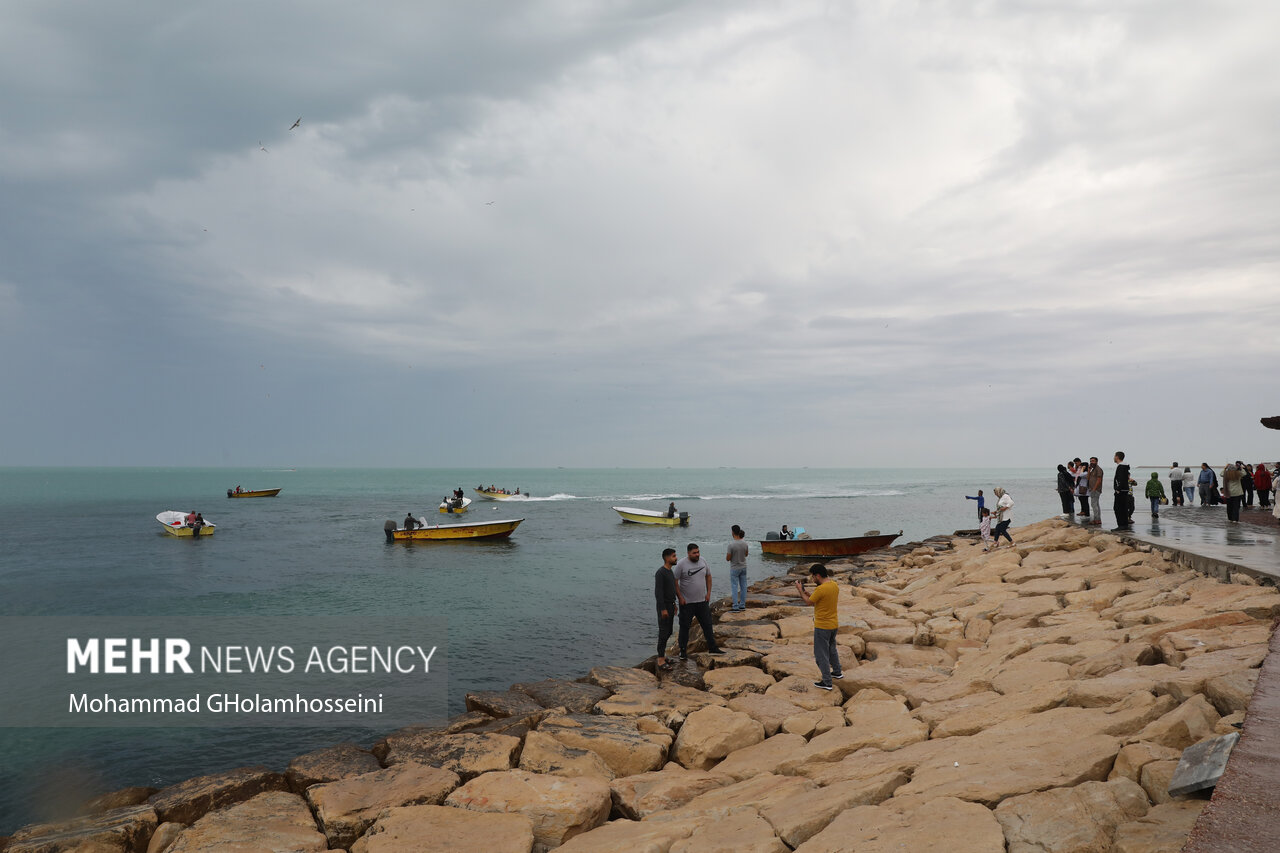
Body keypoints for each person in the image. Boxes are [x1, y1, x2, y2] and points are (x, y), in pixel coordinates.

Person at [793, 564, 842, 691]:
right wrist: (809, 594)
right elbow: (820, 600)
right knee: (832, 649)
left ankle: (827, 682)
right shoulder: (834, 585)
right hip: (833, 625)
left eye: (813, 576)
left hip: (822, 626)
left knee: (821, 655)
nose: (812, 579)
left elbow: (808, 602)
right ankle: (837, 671)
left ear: (818, 575)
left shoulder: (821, 589)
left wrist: (800, 590)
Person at [674, 544, 724, 659]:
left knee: (707, 625)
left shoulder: (703, 561)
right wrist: (680, 597)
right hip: (687, 603)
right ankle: (682, 652)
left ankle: (713, 648)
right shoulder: (681, 564)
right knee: (684, 627)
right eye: (694, 553)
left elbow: (709, 576)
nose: (697, 554)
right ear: (688, 553)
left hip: (702, 601)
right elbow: (675, 581)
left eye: (698, 552)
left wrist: (709, 593)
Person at [654, 548, 679, 670]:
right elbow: (658, 593)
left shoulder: (670, 571)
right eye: (674, 556)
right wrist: (663, 609)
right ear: (667, 558)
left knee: (669, 631)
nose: (676, 558)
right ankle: (660, 660)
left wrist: (674, 605)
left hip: (670, 605)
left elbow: (671, 590)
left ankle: (663, 656)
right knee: (663, 632)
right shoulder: (661, 572)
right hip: (663, 606)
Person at [726, 524, 749, 612]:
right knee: (743, 586)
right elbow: (746, 554)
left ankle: (735, 606)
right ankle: (742, 605)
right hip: (743, 567)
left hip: (735, 568)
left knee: (734, 587)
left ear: (732, 532)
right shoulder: (745, 543)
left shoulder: (731, 545)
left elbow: (728, 558)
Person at [1112, 451, 1136, 529]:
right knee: (1123, 508)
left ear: (1117, 457)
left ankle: (1121, 525)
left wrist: (1118, 489)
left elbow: (1121, 479)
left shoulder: (1121, 466)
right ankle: (1124, 524)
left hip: (1121, 491)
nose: (1114, 458)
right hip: (1124, 490)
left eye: (1114, 456)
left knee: (1118, 508)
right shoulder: (1124, 466)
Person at [1087, 457, 1104, 524]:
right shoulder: (1092, 470)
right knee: (1096, 504)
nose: (1091, 462)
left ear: (1096, 462)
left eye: (1093, 461)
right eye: (1090, 461)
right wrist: (1088, 470)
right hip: (1092, 489)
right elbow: (1088, 478)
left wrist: (1094, 489)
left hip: (1096, 489)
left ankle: (1096, 519)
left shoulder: (1098, 469)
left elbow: (1099, 480)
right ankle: (1098, 519)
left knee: (1094, 504)